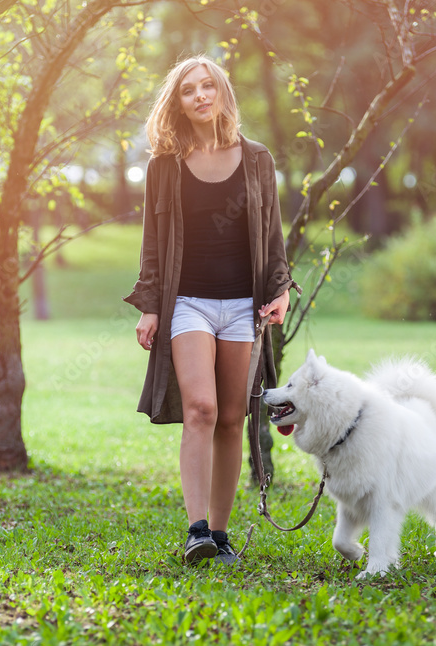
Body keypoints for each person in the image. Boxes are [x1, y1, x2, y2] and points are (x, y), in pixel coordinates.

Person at [124, 55, 298, 565]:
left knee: (230, 417)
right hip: (189, 304)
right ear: (177, 103)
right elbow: (152, 245)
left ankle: (219, 537)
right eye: (187, 90)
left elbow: (272, 234)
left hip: (244, 306)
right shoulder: (165, 166)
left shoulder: (257, 158)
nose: (199, 95)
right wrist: (150, 306)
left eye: (207, 86)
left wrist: (281, 288)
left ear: (221, 91)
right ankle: (195, 529)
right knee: (200, 409)